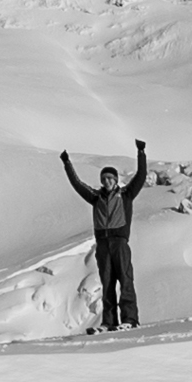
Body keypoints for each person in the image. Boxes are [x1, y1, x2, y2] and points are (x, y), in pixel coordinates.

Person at [59, 136, 150, 333]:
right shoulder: (96, 197)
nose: (107, 182)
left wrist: (141, 153)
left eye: (110, 178)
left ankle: (130, 319)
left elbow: (141, 175)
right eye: (104, 179)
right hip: (102, 244)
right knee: (107, 282)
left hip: (119, 242)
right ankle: (109, 322)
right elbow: (77, 184)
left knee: (125, 280)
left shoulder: (126, 195)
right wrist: (67, 163)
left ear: (116, 180)